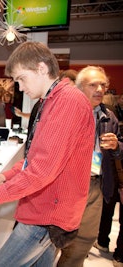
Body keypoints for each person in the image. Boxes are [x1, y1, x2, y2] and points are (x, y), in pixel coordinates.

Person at [0, 42, 95, 267]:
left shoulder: (67, 102)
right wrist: (5, 177)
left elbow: (42, 170)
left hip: (47, 215)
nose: (20, 87)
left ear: (41, 69)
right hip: (44, 209)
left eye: (21, 78)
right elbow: (35, 158)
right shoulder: (52, 101)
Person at [57, 66, 123, 267]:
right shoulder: (65, 112)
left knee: (85, 239)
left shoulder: (108, 116)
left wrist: (116, 145)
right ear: (79, 88)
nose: (100, 89)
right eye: (93, 84)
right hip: (67, 184)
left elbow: (120, 146)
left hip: (95, 185)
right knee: (55, 237)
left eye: (103, 85)